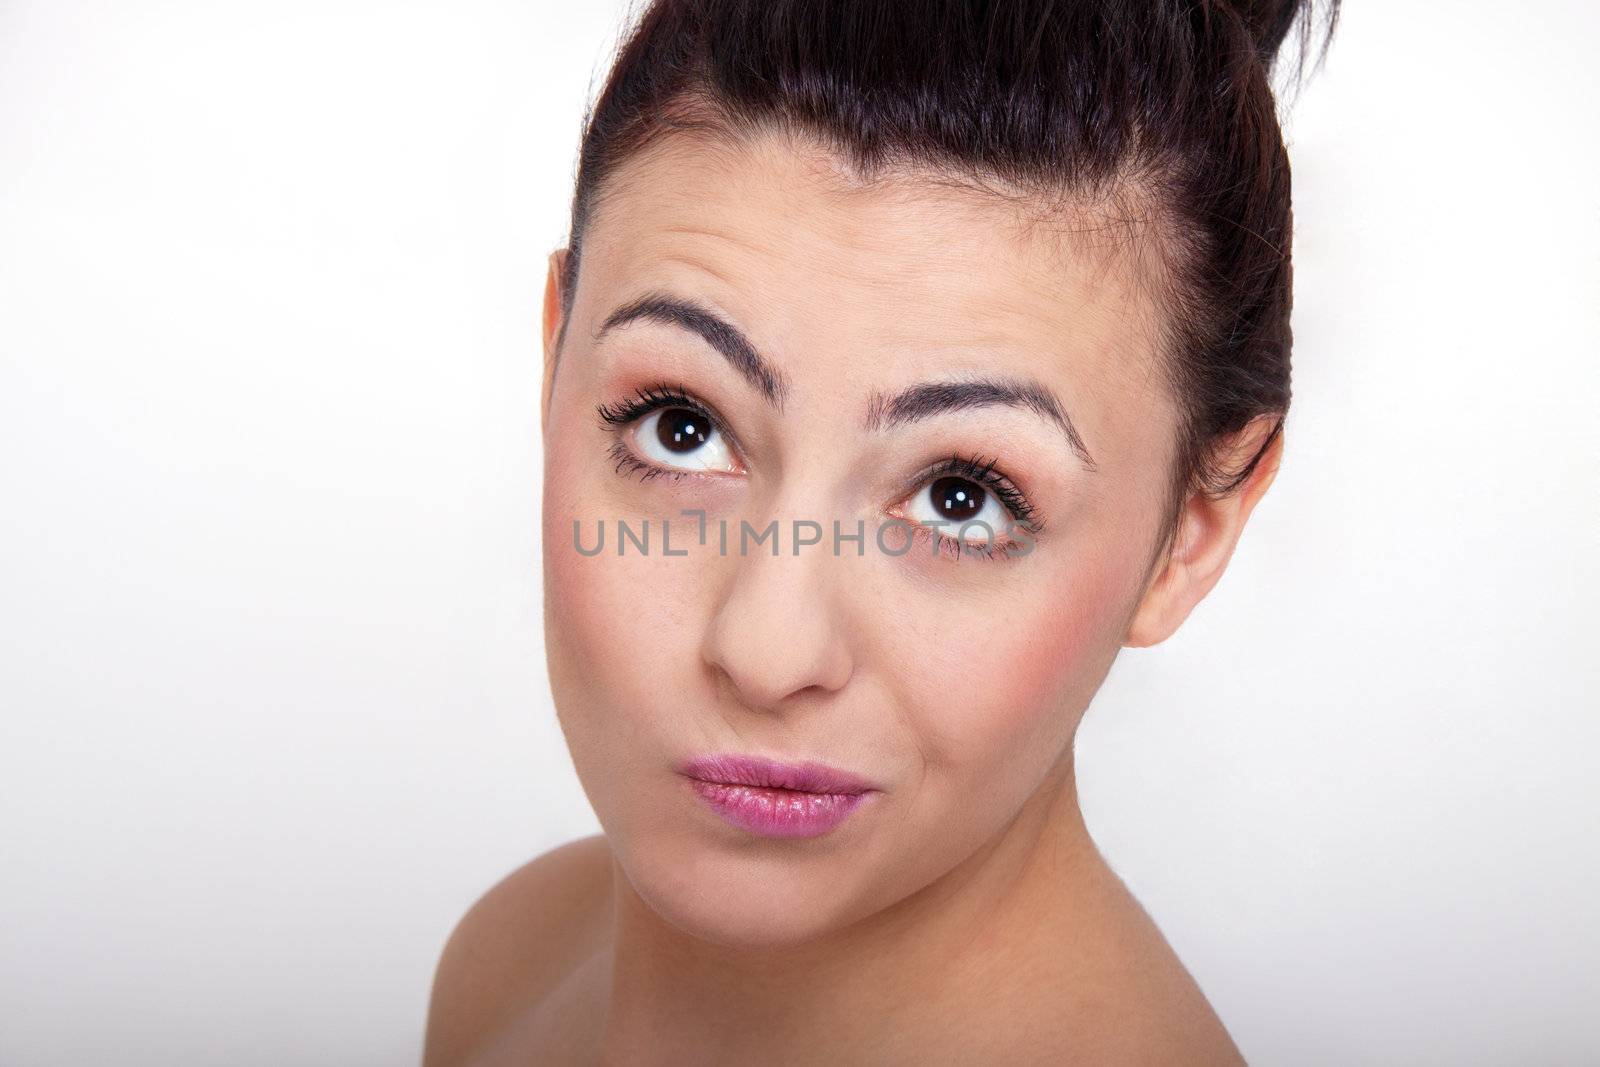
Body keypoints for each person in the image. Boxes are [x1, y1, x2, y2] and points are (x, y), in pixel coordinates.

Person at [425, 0, 1339, 1061]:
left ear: (1192, 527)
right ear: (555, 359)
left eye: (961, 496)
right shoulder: (509, 959)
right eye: (682, 427)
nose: (766, 653)